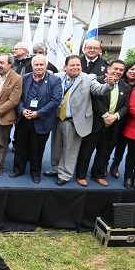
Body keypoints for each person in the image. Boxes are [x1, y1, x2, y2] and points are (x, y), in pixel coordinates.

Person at [45, 55, 117, 186]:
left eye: (78, 65)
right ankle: (55, 169)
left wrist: (109, 85)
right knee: (56, 147)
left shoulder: (89, 78)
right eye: (72, 65)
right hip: (57, 119)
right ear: (65, 67)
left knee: (70, 150)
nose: (75, 67)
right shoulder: (58, 77)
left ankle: (65, 175)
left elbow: (100, 90)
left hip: (74, 121)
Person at [75, 60, 130, 186]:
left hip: (112, 125)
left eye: (121, 70)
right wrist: (105, 115)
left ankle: (97, 175)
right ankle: (81, 175)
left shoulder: (125, 87)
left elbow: (126, 106)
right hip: (95, 122)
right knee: (86, 151)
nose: (118, 72)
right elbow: (93, 99)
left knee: (104, 152)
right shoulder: (97, 80)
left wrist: (115, 117)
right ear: (108, 69)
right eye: (115, 68)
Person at [10, 55, 62, 183]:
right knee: (21, 146)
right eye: (36, 65)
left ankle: (35, 172)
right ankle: (18, 169)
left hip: (42, 120)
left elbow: (55, 100)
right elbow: (16, 97)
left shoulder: (55, 80)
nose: (38, 67)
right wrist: (22, 110)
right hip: (24, 118)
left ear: (46, 65)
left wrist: (38, 113)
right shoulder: (24, 78)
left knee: (37, 149)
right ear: (32, 66)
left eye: (41, 65)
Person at [112, 61, 135, 179]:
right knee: (111, 142)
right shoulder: (119, 82)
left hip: (132, 121)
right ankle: (104, 164)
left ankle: (115, 164)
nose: (133, 72)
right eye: (131, 69)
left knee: (122, 144)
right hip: (117, 117)